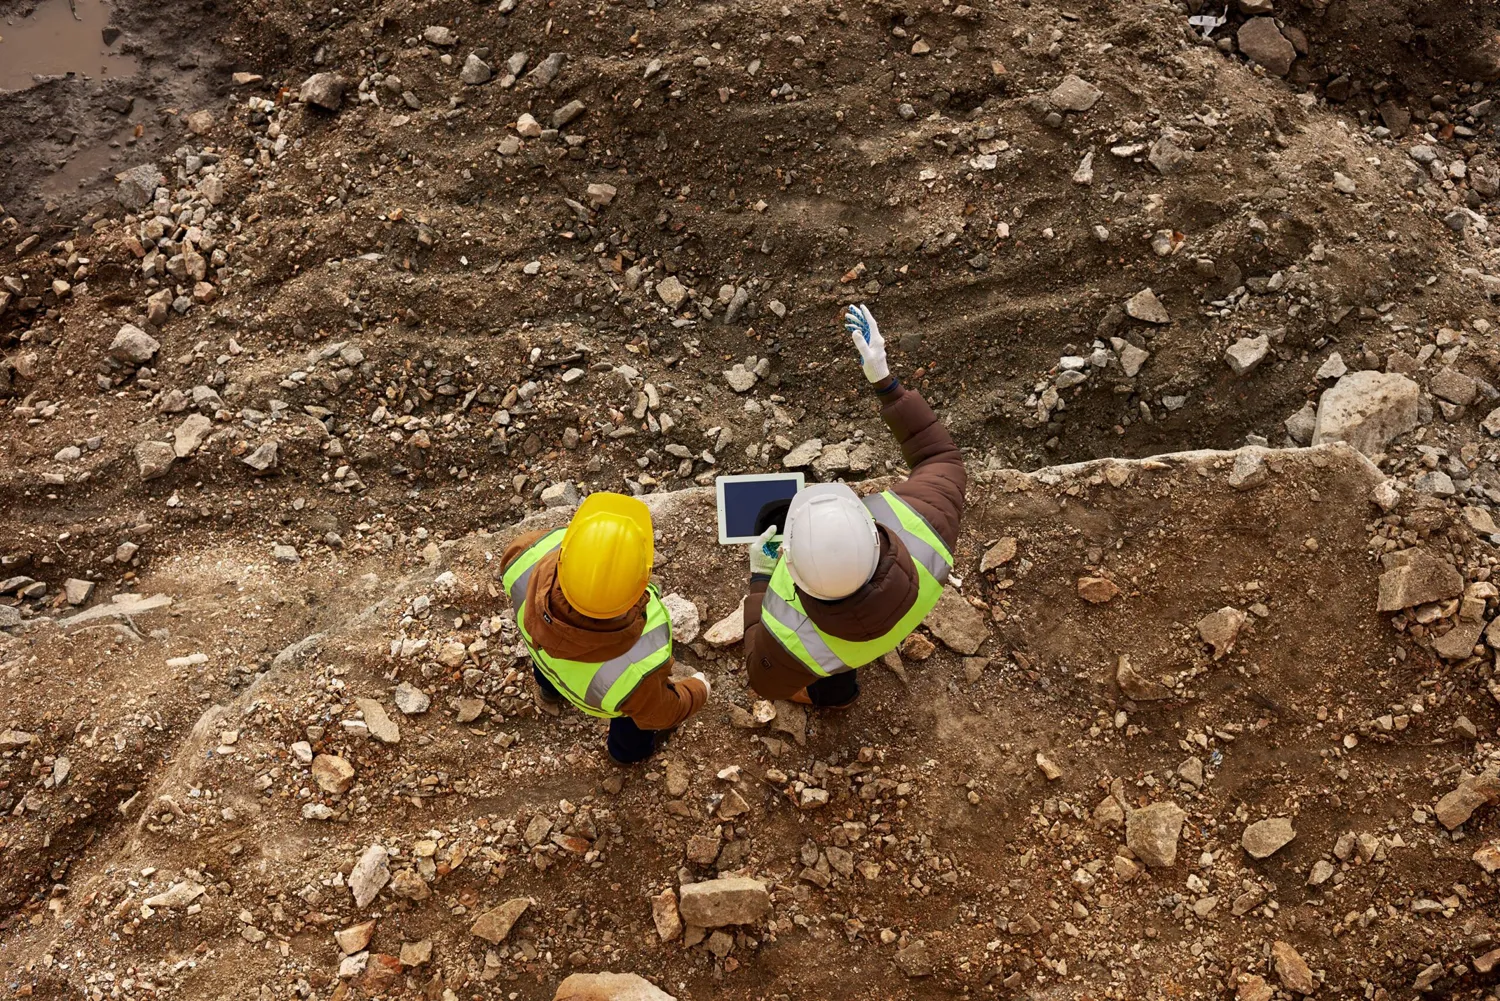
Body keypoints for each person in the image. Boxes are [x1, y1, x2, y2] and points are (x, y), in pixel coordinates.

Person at [743, 304, 966, 708]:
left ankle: (834, 697)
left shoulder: (789, 632)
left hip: (831, 651)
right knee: (840, 657)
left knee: (830, 667)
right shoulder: (927, 528)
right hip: (892, 615)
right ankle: (840, 695)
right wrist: (884, 380)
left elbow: (764, 683)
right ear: (871, 528)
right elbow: (940, 457)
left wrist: (760, 579)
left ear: (788, 568)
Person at [500, 491, 710, 763]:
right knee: (633, 716)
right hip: (613, 695)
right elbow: (661, 712)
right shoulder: (637, 671)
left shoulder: (527, 551)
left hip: (543, 649)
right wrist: (698, 689)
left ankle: (549, 690)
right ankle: (625, 754)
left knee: (545, 652)